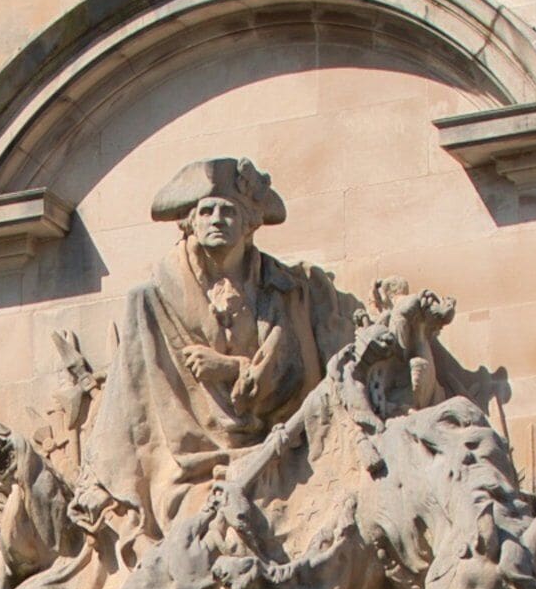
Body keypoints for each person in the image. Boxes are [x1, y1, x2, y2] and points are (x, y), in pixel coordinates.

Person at [85, 156, 357, 534]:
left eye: (228, 211)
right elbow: (131, 392)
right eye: (206, 211)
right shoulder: (152, 300)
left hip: (278, 448)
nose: (216, 219)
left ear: (248, 224)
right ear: (190, 223)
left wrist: (232, 368)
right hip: (191, 459)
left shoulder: (283, 291)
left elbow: (297, 374)